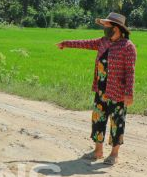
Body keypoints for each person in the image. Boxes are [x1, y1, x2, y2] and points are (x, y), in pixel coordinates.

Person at [56, 12, 137, 165]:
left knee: (117, 122)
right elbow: (84, 43)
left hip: (117, 92)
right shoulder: (103, 42)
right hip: (101, 90)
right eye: (104, 26)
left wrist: (129, 93)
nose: (105, 29)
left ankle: (114, 154)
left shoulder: (128, 47)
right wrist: (66, 43)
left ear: (117, 28)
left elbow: (130, 72)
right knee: (98, 119)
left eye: (107, 26)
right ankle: (98, 151)